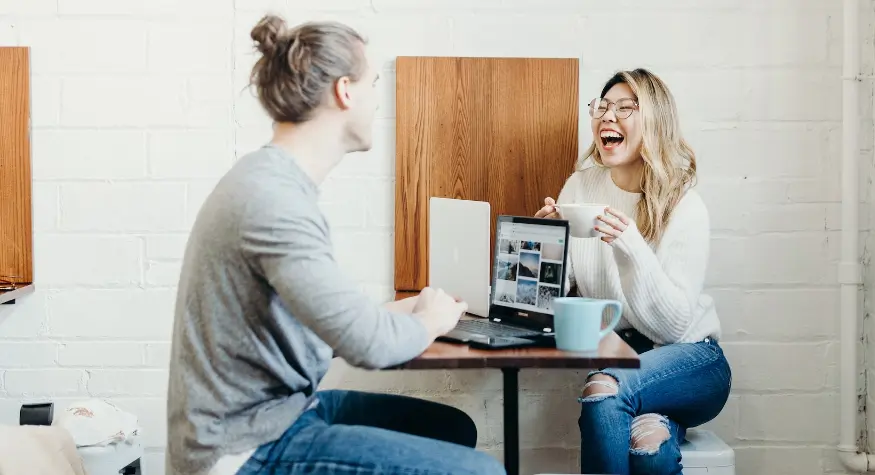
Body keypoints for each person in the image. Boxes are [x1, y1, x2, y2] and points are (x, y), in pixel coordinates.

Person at [165, 14, 505, 475]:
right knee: (478, 472)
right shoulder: (272, 201)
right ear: (345, 91)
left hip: (282, 415)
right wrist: (431, 321)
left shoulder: (274, 184)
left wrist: (405, 311)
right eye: (374, 85)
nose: (377, 105)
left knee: (452, 428)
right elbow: (368, 346)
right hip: (242, 447)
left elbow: (335, 326)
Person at [534, 68, 732, 474]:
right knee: (649, 443)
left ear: (655, 121)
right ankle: (658, 421)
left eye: (625, 108)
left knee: (603, 390)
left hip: (693, 360)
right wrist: (548, 247)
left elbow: (673, 329)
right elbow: (563, 297)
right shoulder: (580, 187)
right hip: (624, 356)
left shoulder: (683, 204)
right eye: (602, 106)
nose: (608, 116)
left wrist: (630, 247)